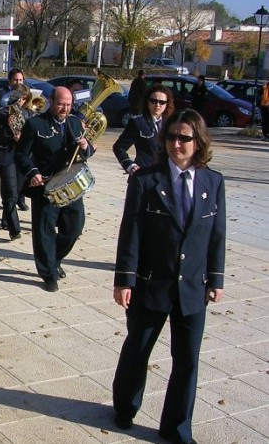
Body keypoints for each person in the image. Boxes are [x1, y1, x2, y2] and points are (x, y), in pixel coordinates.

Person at [111, 109, 226, 444]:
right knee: (137, 350)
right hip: (151, 284)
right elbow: (129, 232)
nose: (177, 143)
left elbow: (217, 235)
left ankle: (177, 427)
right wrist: (124, 280)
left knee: (188, 360)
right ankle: (125, 407)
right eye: (172, 137)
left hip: (192, 288)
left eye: (185, 138)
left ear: (199, 141)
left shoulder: (213, 182)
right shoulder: (146, 180)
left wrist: (216, 280)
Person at [15, 86, 96, 292]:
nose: (65, 108)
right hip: (45, 186)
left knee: (74, 228)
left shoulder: (75, 123)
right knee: (44, 232)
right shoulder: (35, 124)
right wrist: (32, 172)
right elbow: (21, 155)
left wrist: (86, 146)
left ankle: (55, 258)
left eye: (68, 105)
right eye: (61, 104)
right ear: (51, 101)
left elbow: (87, 152)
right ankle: (48, 273)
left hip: (71, 186)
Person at [0, 69, 27, 240]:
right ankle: (15, 229)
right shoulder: (1, 95)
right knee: (11, 192)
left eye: (21, 79)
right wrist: (15, 108)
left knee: (16, 190)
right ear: (9, 80)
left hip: (21, 153)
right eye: (15, 79)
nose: (18, 82)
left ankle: (6, 218)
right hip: (5, 150)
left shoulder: (26, 97)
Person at [113, 84, 175, 174]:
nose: (158, 105)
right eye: (154, 101)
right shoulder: (138, 122)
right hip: (143, 175)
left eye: (162, 102)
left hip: (165, 175)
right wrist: (130, 165)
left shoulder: (171, 123)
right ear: (147, 102)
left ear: (167, 104)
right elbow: (119, 147)